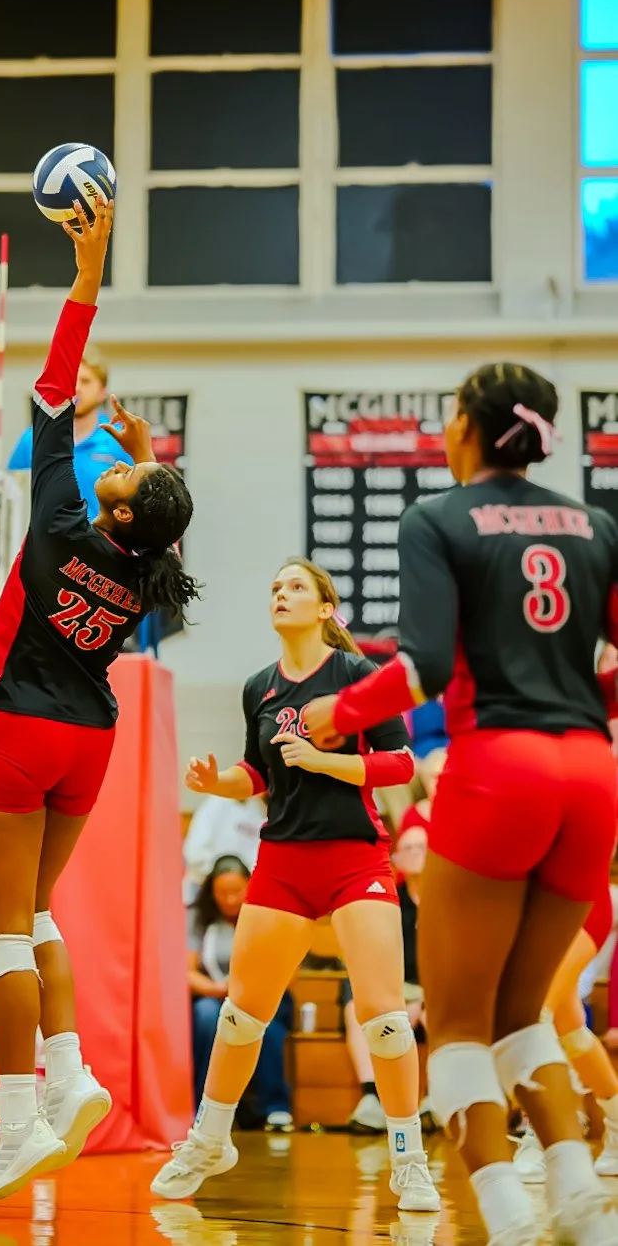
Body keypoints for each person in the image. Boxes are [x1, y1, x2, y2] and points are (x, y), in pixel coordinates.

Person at [303, 363, 618, 1246]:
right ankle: (581, 1200)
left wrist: (341, 709)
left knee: (455, 1026)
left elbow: (424, 668)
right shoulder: (595, 522)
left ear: (471, 430)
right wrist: (588, 711)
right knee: (526, 1016)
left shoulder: (437, 517)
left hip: (496, 772)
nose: (442, 431)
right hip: (592, 774)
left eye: (447, 415)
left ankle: (509, 1216)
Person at [0, 197, 198, 1206]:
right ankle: (72, 1073)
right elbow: (164, 515)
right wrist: (152, 463)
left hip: (16, 727)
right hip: (88, 742)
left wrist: (88, 273)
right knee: (39, 911)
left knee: (2, 930)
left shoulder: (60, 512)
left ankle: (18, 1119)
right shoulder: (146, 569)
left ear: (117, 496)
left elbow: (57, 379)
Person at [151, 557, 439, 1214]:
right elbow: (254, 775)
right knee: (239, 1015)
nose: (280, 594)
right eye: (274, 587)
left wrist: (323, 761)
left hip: (354, 859)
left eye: (294, 587)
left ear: (323, 607)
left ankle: (408, 1161)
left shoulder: (359, 678)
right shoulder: (258, 687)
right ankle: (209, 1141)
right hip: (281, 860)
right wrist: (212, 780)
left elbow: (399, 766)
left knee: (386, 1020)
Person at [514, 871, 618, 1185]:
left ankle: (541, 1138)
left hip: (582, 900)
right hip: (531, 907)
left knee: (535, 1011)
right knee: (570, 1032)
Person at [188, 855, 293, 1129]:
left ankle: (276, 1107)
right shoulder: (200, 919)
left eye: (236, 891)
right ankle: (204, 1107)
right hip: (215, 994)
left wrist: (252, 993)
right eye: (222, 892)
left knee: (265, 1022)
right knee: (205, 1016)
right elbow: (187, 972)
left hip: (263, 994)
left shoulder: (267, 912)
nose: (230, 899)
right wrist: (217, 989)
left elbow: (285, 964)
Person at [344, 824, 428, 1134]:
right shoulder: (388, 902)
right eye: (409, 848)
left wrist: (421, 999)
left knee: (440, 1011)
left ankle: (438, 1101)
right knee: (354, 1003)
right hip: (395, 988)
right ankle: (371, 1098)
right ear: (397, 860)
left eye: (423, 847)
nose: (417, 854)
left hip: (434, 990)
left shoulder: (446, 902)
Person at [8, 342, 130, 519]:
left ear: (102, 392)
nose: (76, 388)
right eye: (71, 380)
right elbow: (11, 503)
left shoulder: (120, 439)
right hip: (45, 544)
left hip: (100, 545)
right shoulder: (31, 439)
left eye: (86, 381)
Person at [182, 793, 265, 907]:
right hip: (207, 888)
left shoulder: (256, 809)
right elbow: (195, 852)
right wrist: (225, 872)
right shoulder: (214, 805)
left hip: (245, 893)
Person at [397, 747, 446, 840]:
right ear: (425, 779)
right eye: (434, 777)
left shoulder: (463, 814)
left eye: (444, 778)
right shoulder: (412, 816)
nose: (439, 783)